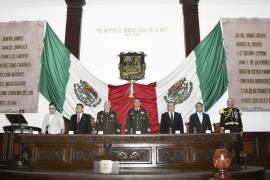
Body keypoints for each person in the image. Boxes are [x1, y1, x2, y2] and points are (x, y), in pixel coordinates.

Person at [220, 97, 243, 164]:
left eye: (231, 101)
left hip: (236, 130)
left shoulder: (237, 110)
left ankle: (238, 163)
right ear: (227, 103)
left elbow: (240, 121)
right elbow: (222, 122)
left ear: (233, 103)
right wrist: (222, 130)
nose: (230, 103)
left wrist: (241, 130)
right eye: (228, 101)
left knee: (237, 148)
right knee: (228, 148)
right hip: (228, 130)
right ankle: (228, 163)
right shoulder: (223, 111)